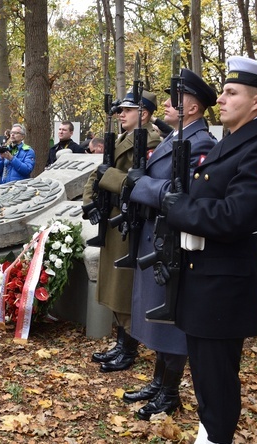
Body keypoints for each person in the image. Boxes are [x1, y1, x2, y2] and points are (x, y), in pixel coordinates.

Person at [155, 56, 257, 444]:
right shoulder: (229, 142)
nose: (223, 99)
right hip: (204, 274)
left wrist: (175, 207)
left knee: (217, 374)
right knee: (205, 370)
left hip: (226, 281)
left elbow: (235, 216)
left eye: (231, 93)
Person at [126, 69, 218, 421]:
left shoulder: (201, 143)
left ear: (192, 108)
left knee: (170, 316)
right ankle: (158, 382)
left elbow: (184, 195)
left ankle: (169, 391)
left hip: (172, 241)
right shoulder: (176, 136)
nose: (165, 103)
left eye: (174, 99)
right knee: (156, 312)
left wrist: (141, 186)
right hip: (156, 233)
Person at [84, 89, 161, 373]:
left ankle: (128, 348)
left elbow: (140, 182)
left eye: (127, 110)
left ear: (144, 113)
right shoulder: (121, 139)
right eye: (120, 111)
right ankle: (120, 343)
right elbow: (98, 172)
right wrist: (90, 202)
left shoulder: (151, 141)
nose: (120, 115)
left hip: (130, 222)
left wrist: (108, 179)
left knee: (124, 287)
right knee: (113, 285)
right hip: (113, 219)